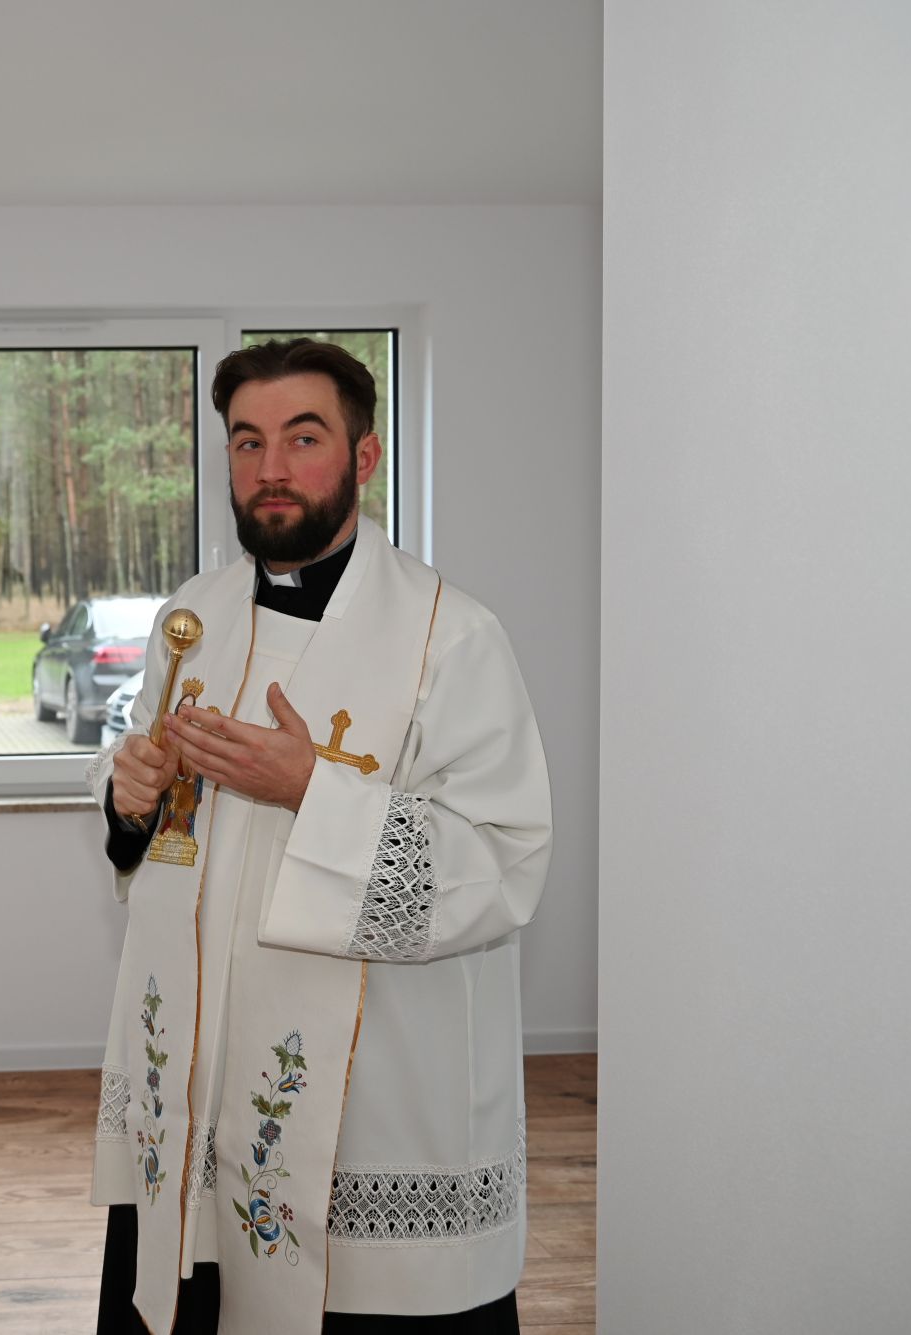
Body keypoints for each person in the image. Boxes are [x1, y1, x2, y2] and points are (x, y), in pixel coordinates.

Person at [88, 339, 552, 1334]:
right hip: (195, 1095)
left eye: (303, 438)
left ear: (365, 456)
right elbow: (149, 809)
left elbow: (504, 862)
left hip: (373, 1113)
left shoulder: (449, 637)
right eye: (246, 441)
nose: (271, 468)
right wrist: (128, 799)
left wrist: (312, 791)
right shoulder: (190, 617)